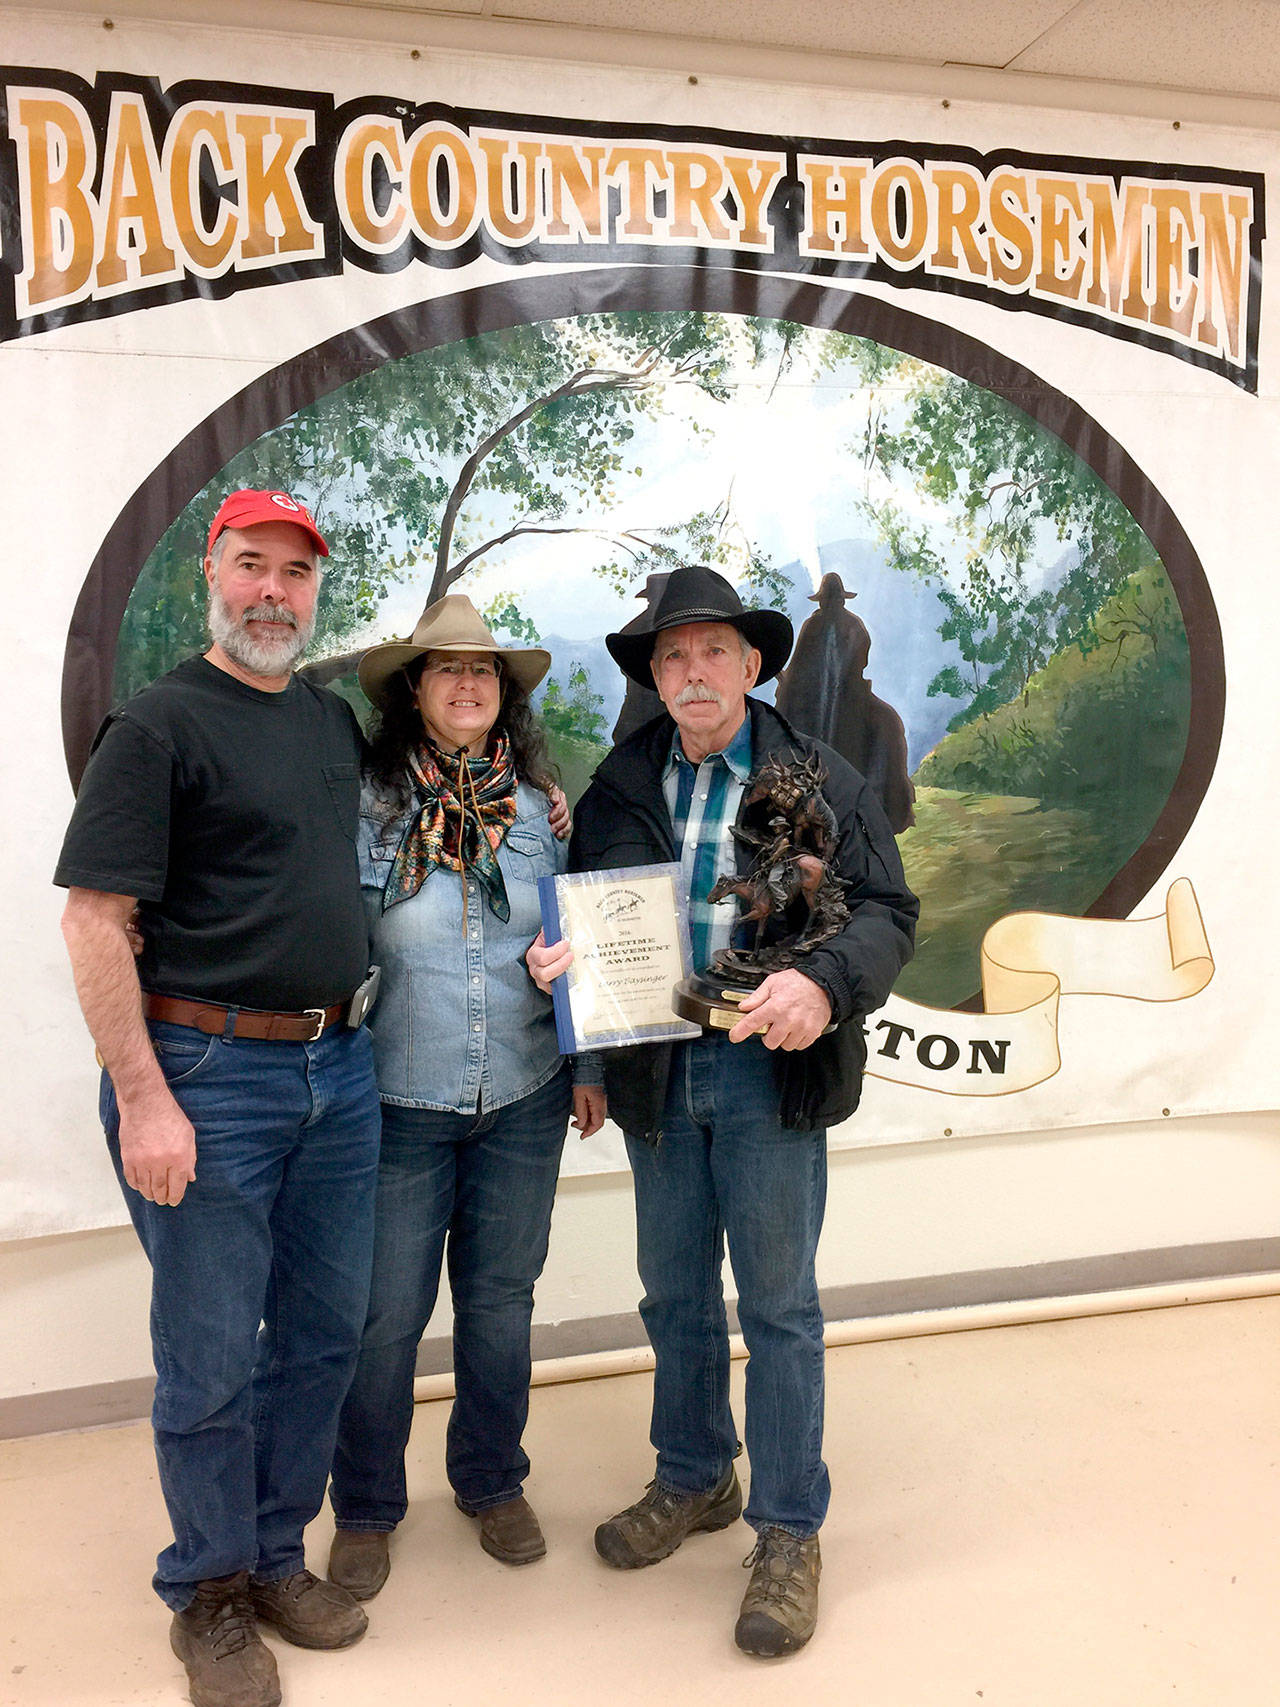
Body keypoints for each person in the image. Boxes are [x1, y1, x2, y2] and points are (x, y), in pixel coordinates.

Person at [529, 564, 917, 1657]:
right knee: (673, 1296)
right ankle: (694, 1475)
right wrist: (579, 1026)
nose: (691, 672)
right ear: (652, 675)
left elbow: (888, 910)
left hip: (765, 1071)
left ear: (752, 667)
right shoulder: (620, 782)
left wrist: (824, 982)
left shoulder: (821, 777)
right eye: (670, 656)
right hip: (656, 1071)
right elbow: (581, 925)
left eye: (712, 653)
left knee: (779, 1307)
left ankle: (788, 1530)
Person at [56, 489, 382, 1707]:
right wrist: (141, 1099)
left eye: (294, 575)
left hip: (337, 1073)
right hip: (204, 1079)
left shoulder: (327, 720)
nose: (272, 593)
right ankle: (207, 1591)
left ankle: (273, 1555)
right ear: (213, 575)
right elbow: (95, 921)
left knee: (317, 1340)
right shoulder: (156, 726)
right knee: (209, 1357)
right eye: (251, 567)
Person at [326, 595, 605, 1599]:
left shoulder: (535, 810)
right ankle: (363, 1507)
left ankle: (491, 1482)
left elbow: (576, 945)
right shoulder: (362, 805)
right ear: (413, 689)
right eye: (444, 669)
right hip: (396, 1099)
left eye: (482, 672)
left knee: (498, 1305)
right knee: (384, 1319)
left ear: (502, 695)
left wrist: (585, 1063)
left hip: (523, 1099)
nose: (465, 683)